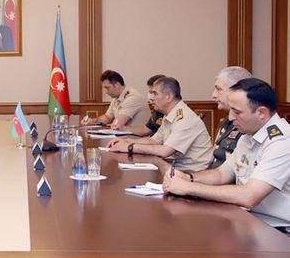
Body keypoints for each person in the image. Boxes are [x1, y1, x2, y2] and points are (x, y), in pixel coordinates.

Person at [163, 78, 289, 222]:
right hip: (247, 218)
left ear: (261, 113)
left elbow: (249, 196)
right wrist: (188, 177)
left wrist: (188, 187)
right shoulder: (247, 136)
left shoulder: (282, 141)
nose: (230, 117)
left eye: (237, 112)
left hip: (277, 228)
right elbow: (222, 174)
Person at [108, 77, 213, 171]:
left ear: (168, 97)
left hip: (192, 173)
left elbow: (164, 151)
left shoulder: (185, 118)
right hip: (175, 167)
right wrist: (127, 141)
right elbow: (154, 140)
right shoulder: (169, 114)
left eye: (155, 93)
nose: (151, 98)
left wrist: (130, 147)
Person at [209, 66, 252, 168]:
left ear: (237, 91)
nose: (213, 95)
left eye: (219, 89)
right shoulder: (226, 122)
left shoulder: (248, 125)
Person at [82, 70, 151, 131]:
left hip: (137, 138)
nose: (106, 92)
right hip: (126, 137)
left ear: (117, 85)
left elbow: (116, 125)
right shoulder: (116, 97)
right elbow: (107, 117)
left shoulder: (132, 98)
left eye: (107, 88)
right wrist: (92, 121)